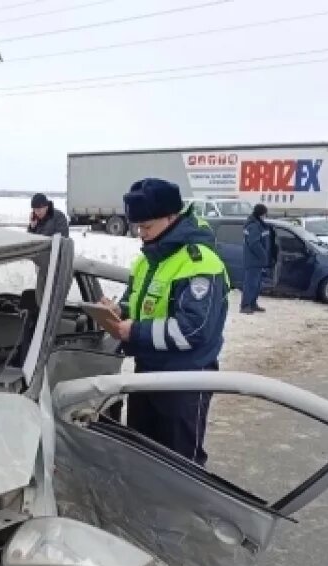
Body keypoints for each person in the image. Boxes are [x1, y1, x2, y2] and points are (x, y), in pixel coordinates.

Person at [95, 178, 230, 466]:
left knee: (180, 463)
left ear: (171, 217)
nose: (141, 234)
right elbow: (137, 305)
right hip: (147, 372)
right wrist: (117, 311)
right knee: (142, 454)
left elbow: (194, 330)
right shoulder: (147, 261)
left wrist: (135, 332)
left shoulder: (199, 262)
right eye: (138, 227)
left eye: (147, 227)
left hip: (185, 379)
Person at [240, 203, 274, 314]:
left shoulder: (259, 224)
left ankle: (253, 304)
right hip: (253, 261)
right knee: (251, 284)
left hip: (257, 261)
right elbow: (254, 244)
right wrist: (264, 255)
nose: (265, 216)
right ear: (261, 214)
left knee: (257, 285)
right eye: (265, 214)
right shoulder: (254, 226)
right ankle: (245, 305)